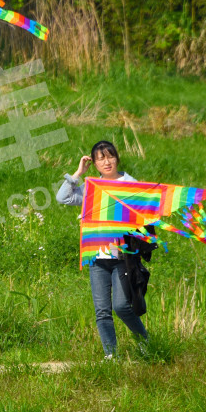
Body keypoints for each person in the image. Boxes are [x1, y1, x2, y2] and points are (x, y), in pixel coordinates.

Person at [56, 140, 149, 358]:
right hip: (97, 257)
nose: (107, 162)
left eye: (110, 156)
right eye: (101, 159)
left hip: (122, 257)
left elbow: (143, 214)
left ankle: (144, 340)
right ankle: (111, 355)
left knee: (121, 307)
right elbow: (63, 197)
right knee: (102, 311)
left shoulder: (130, 184)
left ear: (117, 158)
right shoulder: (92, 188)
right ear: (95, 164)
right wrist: (78, 173)